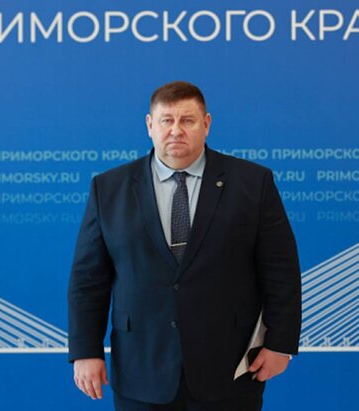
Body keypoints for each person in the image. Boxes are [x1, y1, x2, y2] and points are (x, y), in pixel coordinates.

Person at [68, 81, 300, 410]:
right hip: (141, 369)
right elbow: (88, 280)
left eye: (187, 120)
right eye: (167, 120)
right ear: (150, 125)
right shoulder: (108, 189)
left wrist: (280, 343)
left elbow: (281, 270)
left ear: (206, 124)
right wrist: (85, 351)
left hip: (228, 368)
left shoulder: (252, 183)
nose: (176, 130)